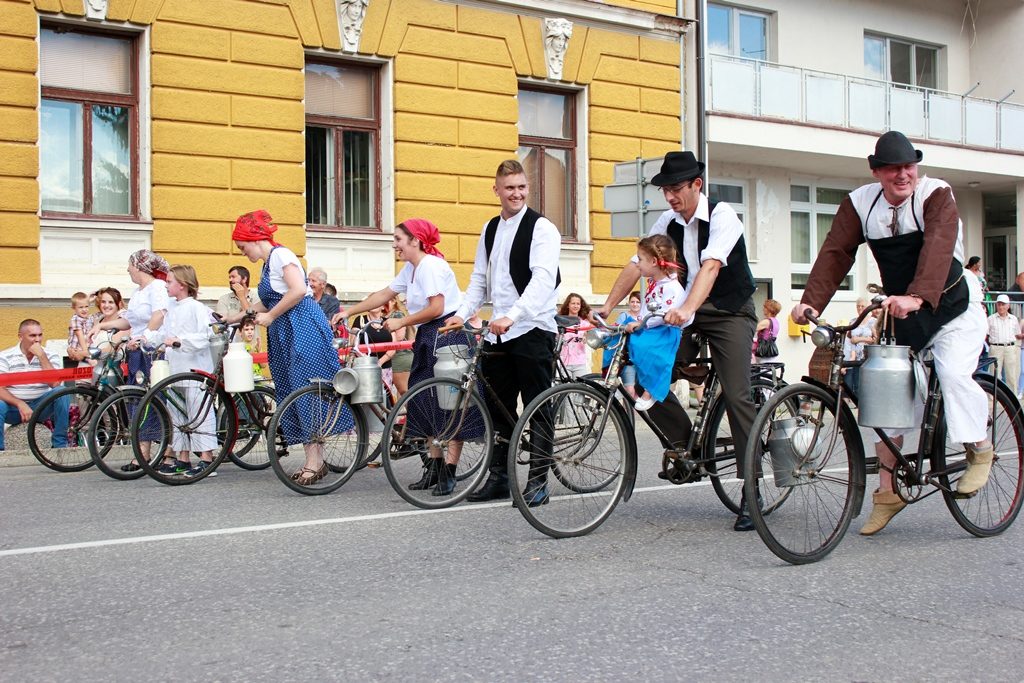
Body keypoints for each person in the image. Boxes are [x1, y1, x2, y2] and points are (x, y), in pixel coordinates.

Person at [791, 130, 992, 536]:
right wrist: (812, 302)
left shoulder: (936, 194)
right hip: (904, 309)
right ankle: (888, 493)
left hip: (952, 305)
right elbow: (836, 252)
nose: (903, 175)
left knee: (953, 373)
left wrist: (918, 296)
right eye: (893, 168)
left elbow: (939, 245)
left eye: (908, 166)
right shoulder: (860, 203)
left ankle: (979, 449)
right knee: (886, 393)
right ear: (877, 171)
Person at [594, 150, 760, 531]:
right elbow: (638, 264)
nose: (669, 196)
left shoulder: (722, 216)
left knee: (736, 394)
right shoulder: (667, 221)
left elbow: (710, 266)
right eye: (665, 189)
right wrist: (606, 306)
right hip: (681, 313)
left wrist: (687, 309)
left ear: (696, 185)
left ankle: (752, 491)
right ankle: (687, 444)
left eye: (676, 188)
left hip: (727, 312)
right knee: (636, 369)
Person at [443, 159, 561, 506]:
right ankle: (500, 478)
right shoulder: (490, 228)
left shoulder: (543, 229)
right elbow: (480, 278)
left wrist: (514, 315)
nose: (517, 194)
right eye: (510, 188)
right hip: (497, 332)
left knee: (537, 405)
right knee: (499, 407)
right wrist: (461, 313)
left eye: (522, 187)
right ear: (496, 190)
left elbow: (542, 279)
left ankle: (539, 480)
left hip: (532, 327)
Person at [333, 219, 469, 495]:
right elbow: (385, 293)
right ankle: (434, 466)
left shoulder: (430, 266)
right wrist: (349, 310)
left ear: (415, 241)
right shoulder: (412, 268)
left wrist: (401, 321)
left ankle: (449, 473)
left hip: (445, 334)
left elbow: (437, 307)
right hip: (429, 335)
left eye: (397, 239)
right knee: (424, 402)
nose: (394, 244)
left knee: (447, 404)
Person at [229, 209, 347, 486]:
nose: (242, 252)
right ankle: (313, 458)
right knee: (292, 389)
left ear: (254, 239)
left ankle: (315, 461)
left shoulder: (281, 255)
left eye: (242, 246)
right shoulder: (268, 262)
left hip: (301, 323)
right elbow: (271, 300)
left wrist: (270, 316)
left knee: (306, 388)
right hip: (287, 326)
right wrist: (238, 315)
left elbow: (296, 290)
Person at [90, 249, 170, 472]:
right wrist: (102, 325)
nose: (128, 269)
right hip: (137, 352)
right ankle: (142, 453)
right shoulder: (138, 292)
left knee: (159, 399)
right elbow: (130, 322)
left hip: (154, 351)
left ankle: (168, 453)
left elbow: (159, 315)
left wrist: (144, 337)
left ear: (140, 266)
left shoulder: (157, 287)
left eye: (130, 265)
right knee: (137, 400)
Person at [145, 265, 219, 478]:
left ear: (182, 285)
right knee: (177, 412)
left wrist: (180, 341)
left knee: (198, 411)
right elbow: (165, 334)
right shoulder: (172, 307)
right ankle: (182, 457)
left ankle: (206, 457)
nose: (166, 285)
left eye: (169, 282)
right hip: (175, 366)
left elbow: (204, 337)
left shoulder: (196, 307)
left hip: (194, 367)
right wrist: (146, 338)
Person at [626, 235, 688, 411]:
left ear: (653, 261)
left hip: (665, 333)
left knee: (649, 350)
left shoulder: (671, 287)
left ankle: (650, 390)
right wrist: (639, 321)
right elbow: (648, 309)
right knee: (623, 339)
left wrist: (641, 324)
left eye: (639, 259)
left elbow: (663, 313)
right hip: (654, 329)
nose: (636, 264)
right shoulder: (655, 283)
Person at [0, 320, 70, 451]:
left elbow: (54, 383)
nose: (37, 340)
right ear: (20, 336)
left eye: (40, 335)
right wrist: (20, 403)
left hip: (41, 407)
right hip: (13, 409)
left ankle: (60, 445)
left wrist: (41, 356)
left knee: (62, 392)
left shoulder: (50, 354)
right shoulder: (5, 356)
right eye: (32, 336)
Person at [602, 291, 641, 400]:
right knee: (630, 390)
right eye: (632, 301)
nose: (635, 304)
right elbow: (617, 333)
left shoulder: (644, 317)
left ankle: (631, 415)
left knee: (639, 391)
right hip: (628, 358)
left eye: (638, 302)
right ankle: (627, 415)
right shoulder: (623, 316)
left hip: (641, 358)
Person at [986, 294, 1021, 393]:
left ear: (1008, 306)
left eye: (1003, 304)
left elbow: (1017, 334)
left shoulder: (1013, 319)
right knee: (994, 374)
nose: (1001, 307)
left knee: (1011, 375)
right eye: (999, 304)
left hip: (1010, 347)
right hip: (995, 347)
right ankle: (992, 397)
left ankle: (1012, 398)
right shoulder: (990, 319)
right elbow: (986, 334)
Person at [842, 297, 876, 395]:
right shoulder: (853, 322)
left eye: (862, 306)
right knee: (850, 384)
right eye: (858, 306)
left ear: (867, 308)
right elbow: (848, 341)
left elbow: (875, 340)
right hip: (853, 356)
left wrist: (858, 339)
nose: (860, 309)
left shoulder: (873, 322)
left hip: (867, 357)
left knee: (862, 385)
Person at [557, 293, 591, 379]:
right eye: (573, 303)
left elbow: (591, 339)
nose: (575, 306)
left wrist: (587, 337)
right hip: (564, 363)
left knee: (580, 390)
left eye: (578, 304)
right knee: (565, 391)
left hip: (580, 362)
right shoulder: (561, 322)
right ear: (568, 305)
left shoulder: (585, 324)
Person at [388, 295, 415, 397]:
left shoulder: (397, 315)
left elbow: (399, 336)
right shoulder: (390, 315)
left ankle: (414, 413)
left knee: (404, 393)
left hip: (400, 356)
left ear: (394, 301)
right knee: (401, 394)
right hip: (396, 357)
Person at [65, 292, 95, 368]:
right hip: (77, 346)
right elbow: (79, 335)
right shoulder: (75, 319)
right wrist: (86, 352)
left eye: (86, 306)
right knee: (80, 353)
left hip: (85, 345)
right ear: (74, 308)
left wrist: (88, 300)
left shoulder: (88, 318)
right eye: (81, 307)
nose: (84, 310)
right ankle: (88, 360)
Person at [752, 298, 782, 365]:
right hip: (772, 351)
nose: (763, 309)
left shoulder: (766, 322)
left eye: (765, 307)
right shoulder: (775, 321)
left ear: (769, 309)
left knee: (762, 371)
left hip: (764, 352)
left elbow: (751, 329)